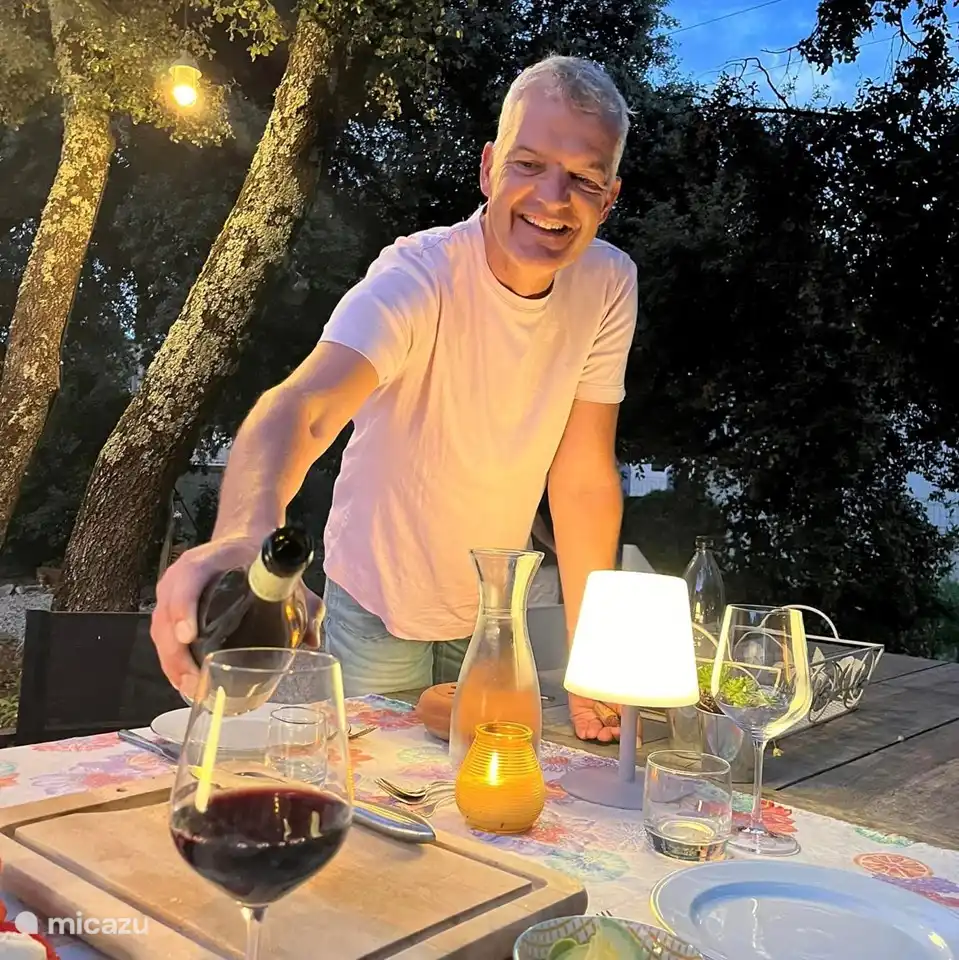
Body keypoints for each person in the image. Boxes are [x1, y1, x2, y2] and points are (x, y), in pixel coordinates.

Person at [150, 54, 637, 744]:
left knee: (474, 787)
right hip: (379, 592)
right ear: (488, 167)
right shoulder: (418, 273)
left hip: (492, 611)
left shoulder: (609, 283)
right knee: (373, 785)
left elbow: (583, 474)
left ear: (608, 196)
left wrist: (595, 654)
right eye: (528, 164)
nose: (552, 197)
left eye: (582, 177)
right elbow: (305, 406)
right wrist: (242, 534)